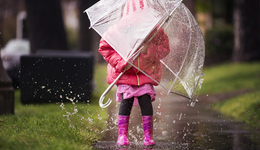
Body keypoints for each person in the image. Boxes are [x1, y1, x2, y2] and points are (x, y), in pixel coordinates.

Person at [98, 0, 170, 146]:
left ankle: (147, 135)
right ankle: (122, 135)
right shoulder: (117, 31)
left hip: (145, 74)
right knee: (126, 102)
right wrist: (121, 62)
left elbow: (165, 48)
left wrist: (149, 49)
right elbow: (105, 48)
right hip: (125, 74)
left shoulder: (155, 31)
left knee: (146, 101)